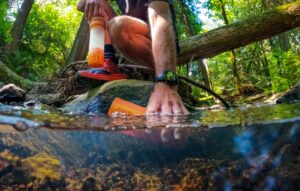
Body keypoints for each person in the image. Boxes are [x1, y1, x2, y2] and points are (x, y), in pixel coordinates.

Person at [76, 0, 189, 115]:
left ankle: (163, 74)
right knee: (99, 6)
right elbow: (80, 4)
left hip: (161, 44)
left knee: (118, 26)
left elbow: (159, 15)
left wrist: (166, 82)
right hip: (131, 39)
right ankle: (110, 62)